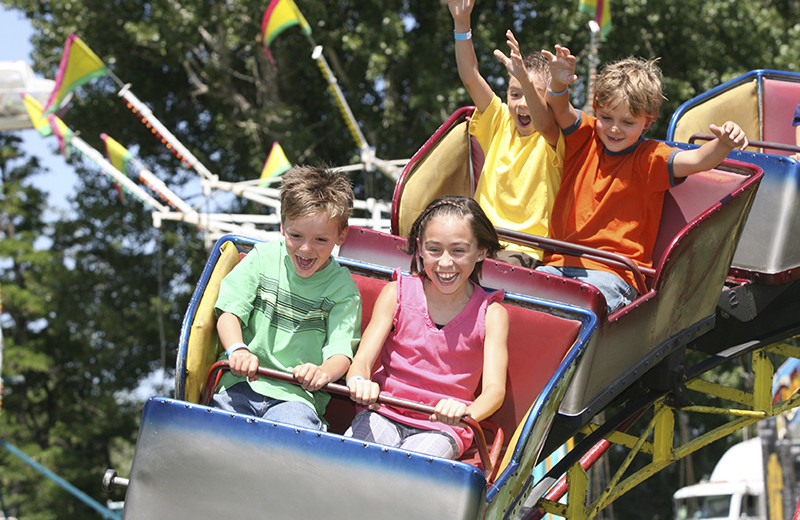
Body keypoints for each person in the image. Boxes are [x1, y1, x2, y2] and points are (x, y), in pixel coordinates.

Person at [539, 46, 749, 314]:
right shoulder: (584, 136)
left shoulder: (649, 158)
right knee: (513, 302)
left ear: (647, 123)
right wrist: (557, 79)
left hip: (613, 274)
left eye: (627, 122)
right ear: (596, 111)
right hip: (558, 264)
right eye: (606, 118)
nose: (614, 129)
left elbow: (698, 160)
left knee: (573, 312)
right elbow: (559, 106)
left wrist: (724, 143)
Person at [344, 196, 509, 459]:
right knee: (352, 457)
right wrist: (359, 381)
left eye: (458, 251)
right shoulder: (396, 293)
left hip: (444, 426)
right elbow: (362, 359)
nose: (445, 263)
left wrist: (465, 413)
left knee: (412, 470)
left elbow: (494, 391)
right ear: (420, 249)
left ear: (481, 252)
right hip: (384, 410)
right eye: (434, 250)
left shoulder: (492, 314)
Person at [211, 165, 362, 431]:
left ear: (341, 235)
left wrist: (323, 372)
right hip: (241, 384)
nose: (306, 249)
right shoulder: (261, 259)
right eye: (296, 236)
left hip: (297, 396)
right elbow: (229, 312)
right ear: (282, 225)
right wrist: (238, 349)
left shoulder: (342, 289)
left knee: (295, 437)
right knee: (218, 429)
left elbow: (341, 351)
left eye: (320, 239)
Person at [447, 0, 563, 268]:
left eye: (531, 94)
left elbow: (547, 121)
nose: (522, 103)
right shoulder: (499, 120)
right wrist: (462, 23)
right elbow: (470, 76)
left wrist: (523, 79)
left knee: (485, 270)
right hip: (477, 241)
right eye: (515, 94)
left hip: (523, 251)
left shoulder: (553, 137)